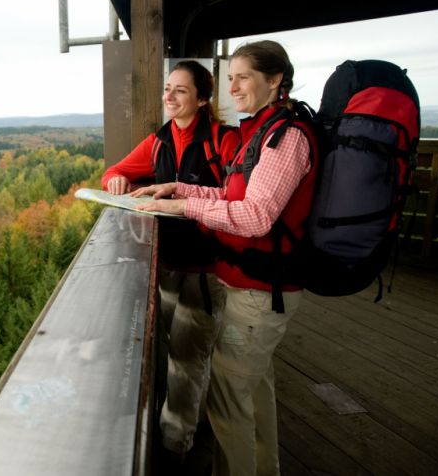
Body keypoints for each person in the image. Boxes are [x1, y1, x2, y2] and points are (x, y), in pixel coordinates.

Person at [134, 40, 318, 476]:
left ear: (275, 80)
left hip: (259, 294)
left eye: (245, 77)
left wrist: (182, 207)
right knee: (252, 393)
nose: (233, 86)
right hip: (249, 288)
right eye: (230, 77)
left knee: (227, 399)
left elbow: (255, 216)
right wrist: (178, 189)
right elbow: (233, 194)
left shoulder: (284, 137)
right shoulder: (263, 130)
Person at [101, 60, 239, 460]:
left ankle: (176, 444)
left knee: (186, 355)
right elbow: (116, 171)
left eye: (180, 90)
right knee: (175, 350)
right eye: (167, 88)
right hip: (167, 264)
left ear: (201, 97)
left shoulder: (222, 141)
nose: (169, 96)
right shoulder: (159, 141)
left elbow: (239, 198)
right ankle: (183, 424)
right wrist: (119, 180)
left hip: (206, 267)